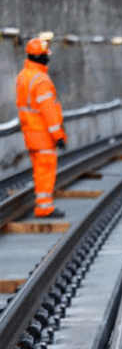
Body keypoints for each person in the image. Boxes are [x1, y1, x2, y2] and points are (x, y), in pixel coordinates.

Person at [15, 37, 67, 218]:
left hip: (30, 132)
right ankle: (45, 208)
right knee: (46, 170)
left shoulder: (23, 76)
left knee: (39, 169)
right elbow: (49, 112)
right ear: (39, 57)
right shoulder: (41, 80)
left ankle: (42, 204)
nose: (48, 59)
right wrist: (59, 136)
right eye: (45, 56)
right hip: (43, 134)